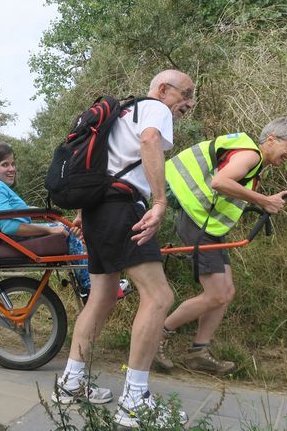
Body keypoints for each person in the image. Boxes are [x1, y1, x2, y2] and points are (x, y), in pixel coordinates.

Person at [51, 69, 195, 429]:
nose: (189, 103)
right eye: (186, 94)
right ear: (164, 89)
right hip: (123, 208)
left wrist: (85, 213)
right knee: (159, 296)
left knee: (102, 297)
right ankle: (134, 401)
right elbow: (149, 143)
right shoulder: (154, 109)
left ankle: (71, 383)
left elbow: (101, 165)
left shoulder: (121, 113)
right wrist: (159, 202)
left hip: (100, 210)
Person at [155, 117, 287, 374]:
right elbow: (220, 182)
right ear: (271, 139)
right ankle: (155, 337)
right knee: (216, 294)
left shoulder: (253, 160)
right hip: (197, 223)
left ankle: (198, 352)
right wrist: (263, 200)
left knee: (226, 292)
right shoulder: (250, 156)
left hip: (207, 225)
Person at [0, 142, 91, 298]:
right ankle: (88, 288)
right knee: (67, 231)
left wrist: (37, 211)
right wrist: (49, 229)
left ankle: (88, 282)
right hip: (12, 238)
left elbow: (9, 214)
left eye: (13, 164)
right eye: (5, 165)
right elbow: (8, 226)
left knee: (67, 229)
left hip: (10, 237)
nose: (12, 169)